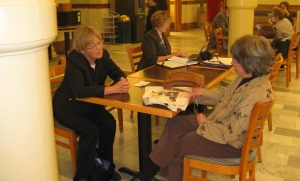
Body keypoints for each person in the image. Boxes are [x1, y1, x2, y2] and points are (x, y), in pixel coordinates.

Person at [130, 35, 275, 181]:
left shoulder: (254, 95)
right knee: (175, 124)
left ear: (250, 63)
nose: (232, 62)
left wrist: (204, 123)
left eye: (235, 60)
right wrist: (201, 94)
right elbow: (226, 95)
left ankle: (147, 174)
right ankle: (154, 171)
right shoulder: (248, 77)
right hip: (219, 123)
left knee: (179, 143)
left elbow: (230, 134)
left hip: (231, 144)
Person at [53, 25, 130, 181]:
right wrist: (110, 89)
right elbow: (79, 91)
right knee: (91, 130)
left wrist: (122, 81)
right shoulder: (74, 62)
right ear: (82, 50)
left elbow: (117, 72)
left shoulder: (103, 56)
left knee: (109, 123)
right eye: (92, 45)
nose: (99, 48)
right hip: (68, 106)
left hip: (89, 104)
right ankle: (82, 175)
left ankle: (105, 167)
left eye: (99, 42)